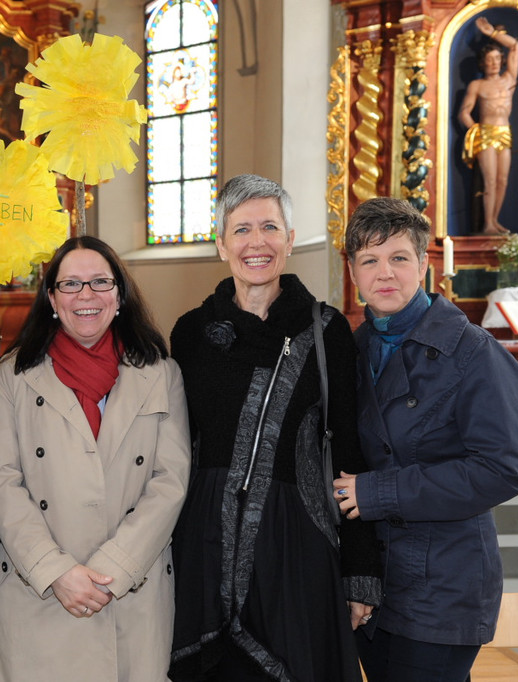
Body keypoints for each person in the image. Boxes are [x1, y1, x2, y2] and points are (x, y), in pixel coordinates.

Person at [169, 174, 381, 682]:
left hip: (295, 547)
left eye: (269, 227)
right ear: (222, 244)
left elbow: (349, 451)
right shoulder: (190, 332)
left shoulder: (327, 330)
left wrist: (359, 571)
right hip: (202, 545)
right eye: (241, 230)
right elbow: (171, 446)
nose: (256, 242)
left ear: (290, 239)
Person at [0, 236, 191, 681]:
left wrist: (112, 571)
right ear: (52, 299)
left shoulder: (161, 373)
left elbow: (170, 481)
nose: (86, 295)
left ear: (119, 295)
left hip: (129, 592)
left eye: (100, 282)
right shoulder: (12, 376)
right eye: (70, 284)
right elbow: (0, 479)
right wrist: (55, 571)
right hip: (38, 593)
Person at [337, 197, 518, 681]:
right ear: (353, 272)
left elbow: (503, 470)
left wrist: (377, 491)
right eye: (369, 260)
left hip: (444, 585)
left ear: (424, 265)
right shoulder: (352, 350)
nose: (385, 273)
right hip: (376, 586)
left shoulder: (475, 352)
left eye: (399, 257)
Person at [458, 15, 518, 235]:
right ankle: (488, 225)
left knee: (502, 180)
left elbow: (514, 45)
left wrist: (492, 33)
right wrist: (474, 129)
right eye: (489, 59)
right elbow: (464, 112)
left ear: (501, 60)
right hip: (486, 133)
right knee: (490, 180)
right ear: (483, 63)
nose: (493, 63)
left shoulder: (509, 79)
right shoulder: (477, 85)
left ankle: (495, 220)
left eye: (496, 59)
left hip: (504, 132)